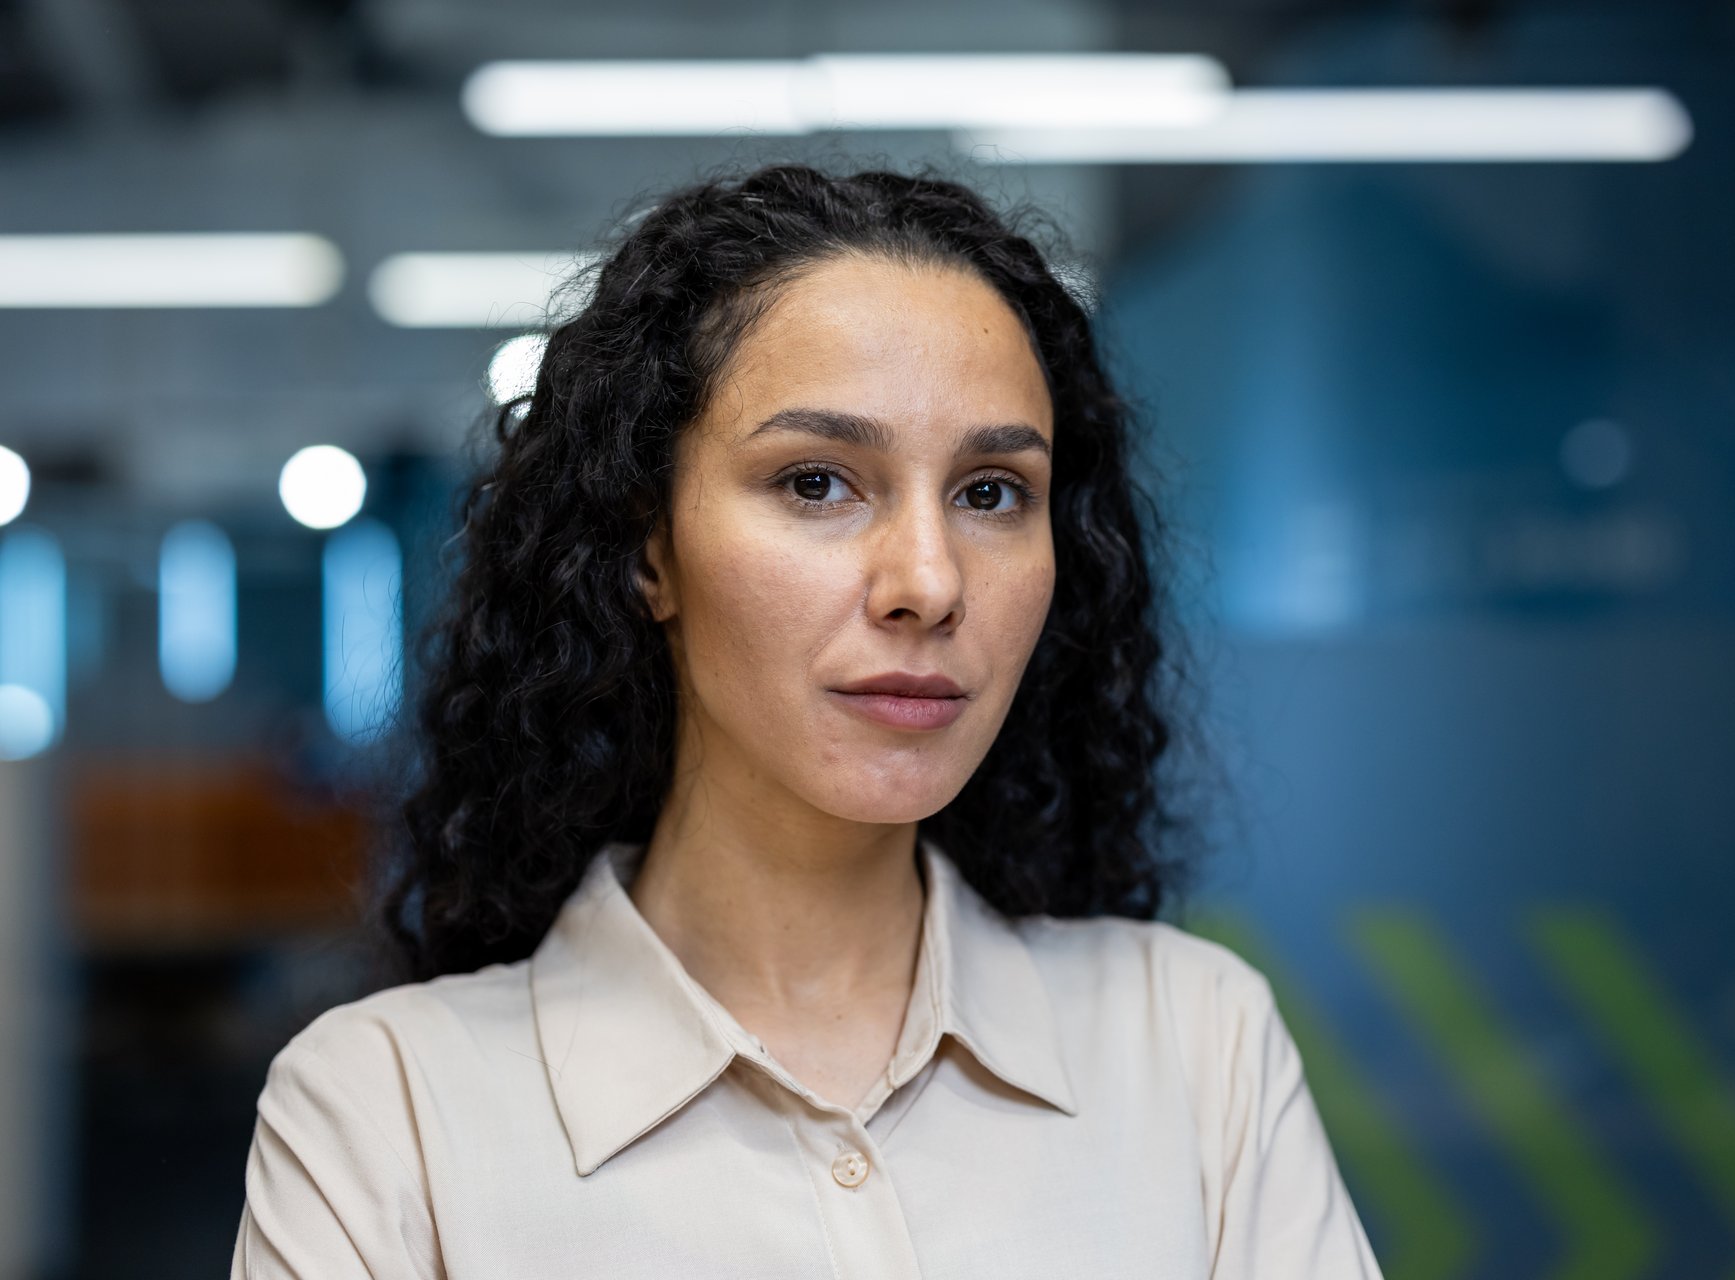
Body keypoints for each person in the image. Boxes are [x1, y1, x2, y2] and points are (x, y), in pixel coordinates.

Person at [230, 163, 1384, 1279]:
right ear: (648, 549)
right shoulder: (385, 1118)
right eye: (816, 482)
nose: (928, 582)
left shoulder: (1192, 1041)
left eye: (992, 493)